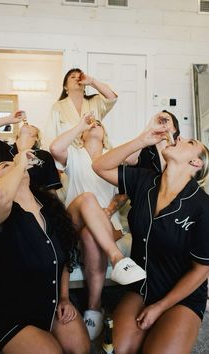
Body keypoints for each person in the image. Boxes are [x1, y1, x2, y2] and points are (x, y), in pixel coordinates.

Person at [93, 124, 209, 354]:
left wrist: (160, 307)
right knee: (118, 349)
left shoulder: (203, 208)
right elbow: (99, 166)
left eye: (190, 142)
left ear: (196, 163)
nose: (181, 137)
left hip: (181, 298)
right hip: (142, 286)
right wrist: (142, 140)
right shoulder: (145, 181)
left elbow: (201, 270)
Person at [0, 150, 90, 354]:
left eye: (13, 164)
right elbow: (2, 195)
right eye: (5, 166)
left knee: (80, 349)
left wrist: (64, 297)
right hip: (8, 312)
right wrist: (18, 164)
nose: (13, 165)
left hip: (49, 304)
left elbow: (62, 259)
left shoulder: (51, 210)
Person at [50, 113, 146, 340]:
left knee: (91, 236)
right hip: (73, 219)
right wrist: (80, 124)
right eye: (89, 125)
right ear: (82, 135)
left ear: (105, 136)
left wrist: (112, 208)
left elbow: (125, 190)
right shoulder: (74, 154)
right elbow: (55, 148)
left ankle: (94, 308)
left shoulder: (113, 157)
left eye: (99, 124)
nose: (94, 125)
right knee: (87, 198)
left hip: (104, 223)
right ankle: (117, 258)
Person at [0, 111, 62, 194]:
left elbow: (51, 190)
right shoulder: (1, 148)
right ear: (18, 135)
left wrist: (56, 209)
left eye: (32, 126)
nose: (28, 125)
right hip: (2, 201)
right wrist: (8, 119)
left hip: (33, 204)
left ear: (36, 138)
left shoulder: (45, 155)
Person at [44, 68, 117, 149]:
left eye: (79, 77)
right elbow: (49, 136)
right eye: (73, 77)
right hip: (69, 156)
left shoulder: (95, 101)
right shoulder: (57, 107)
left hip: (95, 151)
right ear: (65, 86)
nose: (77, 78)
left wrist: (92, 81)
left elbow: (112, 97)